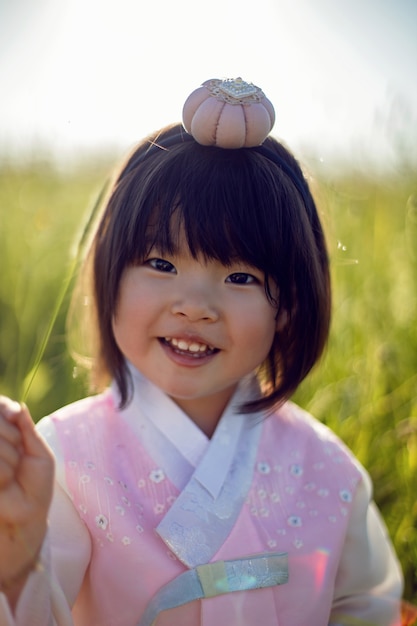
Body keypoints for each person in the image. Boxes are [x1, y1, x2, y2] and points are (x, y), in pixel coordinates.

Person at [0, 77, 404, 625]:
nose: (194, 306)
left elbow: (366, 605)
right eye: (161, 265)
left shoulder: (328, 470)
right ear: (111, 274)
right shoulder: (67, 458)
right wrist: (18, 564)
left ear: (287, 304)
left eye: (240, 276)